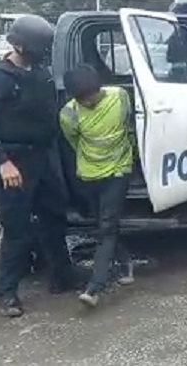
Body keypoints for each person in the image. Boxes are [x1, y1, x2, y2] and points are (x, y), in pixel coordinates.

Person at [0, 15, 88, 318]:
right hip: (15, 161)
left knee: (54, 217)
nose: (43, 53)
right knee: (18, 229)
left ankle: (62, 276)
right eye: (38, 47)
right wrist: (3, 163)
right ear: (20, 45)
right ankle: (7, 293)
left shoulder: (39, 71)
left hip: (42, 157)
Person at [59, 64, 135, 308]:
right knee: (104, 224)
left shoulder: (120, 97)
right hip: (89, 176)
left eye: (92, 95)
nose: (89, 101)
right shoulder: (68, 114)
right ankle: (126, 262)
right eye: (82, 98)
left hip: (118, 172)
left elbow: (130, 124)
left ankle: (95, 287)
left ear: (99, 88)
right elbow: (73, 141)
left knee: (106, 227)